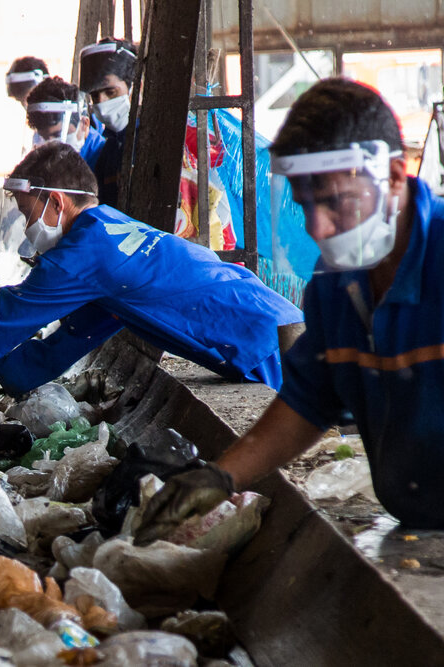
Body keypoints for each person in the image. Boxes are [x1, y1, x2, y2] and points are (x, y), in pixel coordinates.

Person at [136, 79, 444, 540]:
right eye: (305, 206)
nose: (318, 227)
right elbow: (309, 401)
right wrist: (222, 477)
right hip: (421, 526)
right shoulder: (335, 284)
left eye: (336, 202)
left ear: (395, 175)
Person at [0, 142, 303, 400]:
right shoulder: (105, 227)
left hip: (260, 340)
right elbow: (79, 333)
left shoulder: (82, 253)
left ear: (56, 202)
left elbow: (9, 313)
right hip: (268, 316)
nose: (24, 221)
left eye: (25, 210)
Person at [78, 38, 137, 207]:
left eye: (111, 92)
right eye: (95, 96)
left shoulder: (152, 139)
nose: (102, 102)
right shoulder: (108, 149)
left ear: (134, 86)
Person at [26, 77, 107, 174]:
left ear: (84, 125)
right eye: (45, 138)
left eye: (58, 135)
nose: (52, 145)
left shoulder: (105, 159)